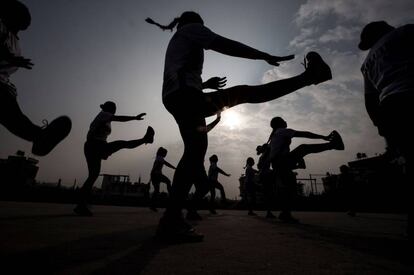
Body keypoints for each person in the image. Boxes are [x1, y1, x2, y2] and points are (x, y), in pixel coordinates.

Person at [146, 11, 332, 242]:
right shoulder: (191, 29)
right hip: (186, 97)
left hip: (180, 97)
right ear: (197, 23)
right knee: (245, 93)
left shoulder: (178, 41)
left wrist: (204, 84)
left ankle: (171, 219)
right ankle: (309, 77)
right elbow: (225, 45)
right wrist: (262, 55)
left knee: (194, 152)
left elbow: (179, 74)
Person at [358, 20, 413, 238]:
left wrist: (382, 127)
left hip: (392, 104)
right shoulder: (407, 31)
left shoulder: (368, 61)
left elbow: (370, 101)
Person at [0, 0, 71, 156]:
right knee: (11, 116)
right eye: (19, 25)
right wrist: (10, 59)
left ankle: (38, 136)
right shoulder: (2, 27)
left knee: (13, 117)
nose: (19, 32)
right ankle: (39, 136)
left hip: (5, 86)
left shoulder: (13, 38)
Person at [74, 101, 154, 216]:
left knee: (93, 175)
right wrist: (134, 118)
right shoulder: (104, 114)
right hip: (94, 145)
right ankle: (145, 139)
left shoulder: (106, 118)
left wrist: (105, 150)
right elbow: (119, 118)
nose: (114, 111)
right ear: (111, 109)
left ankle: (80, 205)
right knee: (122, 144)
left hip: (96, 146)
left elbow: (98, 133)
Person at [268, 117, 344, 223]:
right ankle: (333, 144)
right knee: (304, 148)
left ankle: (285, 213)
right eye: (283, 120)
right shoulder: (282, 131)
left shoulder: (275, 135)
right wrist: (323, 137)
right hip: (282, 162)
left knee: (288, 189)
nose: (286, 121)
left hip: (278, 164)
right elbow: (305, 134)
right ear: (280, 123)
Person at [149, 147, 176, 212]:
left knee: (156, 191)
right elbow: (166, 164)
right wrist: (174, 168)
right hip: (157, 175)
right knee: (168, 181)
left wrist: (151, 177)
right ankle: (171, 194)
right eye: (165, 153)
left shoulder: (158, 158)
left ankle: (152, 206)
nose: (166, 155)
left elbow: (155, 167)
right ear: (162, 153)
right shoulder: (160, 158)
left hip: (154, 175)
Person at [256, 143, 276, 219]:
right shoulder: (265, 155)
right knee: (268, 193)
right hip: (265, 176)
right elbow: (269, 148)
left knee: (268, 193)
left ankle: (269, 211)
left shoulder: (262, 156)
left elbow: (258, 166)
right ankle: (268, 212)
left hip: (264, 175)